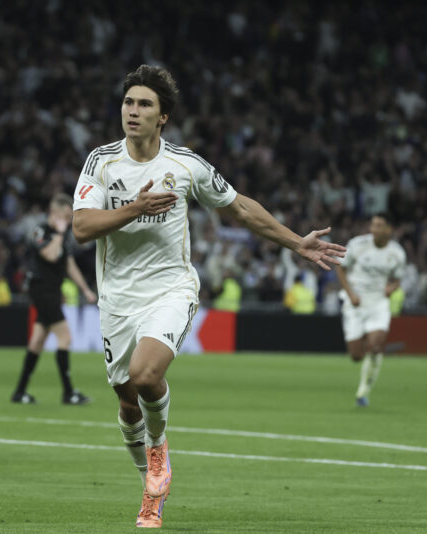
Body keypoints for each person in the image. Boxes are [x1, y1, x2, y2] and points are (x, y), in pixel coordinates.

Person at [72, 65, 345, 529]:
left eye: (144, 105)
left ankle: (159, 456)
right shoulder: (102, 162)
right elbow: (81, 228)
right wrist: (136, 207)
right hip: (117, 298)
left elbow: (239, 206)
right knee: (125, 400)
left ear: (164, 118)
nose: (132, 112)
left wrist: (296, 241)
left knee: (145, 374)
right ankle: (151, 489)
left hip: (171, 288)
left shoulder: (185, 165)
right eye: (128, 103)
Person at [11, 193, 96, 405]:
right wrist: (58, 233)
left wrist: (85, 289)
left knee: (37, 341)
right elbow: (49, 254)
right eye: (66, 216)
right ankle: (69, 393)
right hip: (42, 289)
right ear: (55, 213)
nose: (69, 221)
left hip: (52, 290)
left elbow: (68, 264)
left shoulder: (63, 234)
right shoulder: (41, 231)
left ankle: (20, 392)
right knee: (65, 337)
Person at [335, 212, 406, 407]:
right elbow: (340, 268)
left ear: (388, 230)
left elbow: (397, 278)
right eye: (373, 225)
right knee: (356, 356)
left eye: (379, 225)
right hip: (355, 302)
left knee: (375, 346)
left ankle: (363, 392)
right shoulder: (358, 245)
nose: (374, 229)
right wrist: (350, 294)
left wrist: (392, 288)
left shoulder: (397, 253)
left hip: (378, 302)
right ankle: (369, 344)